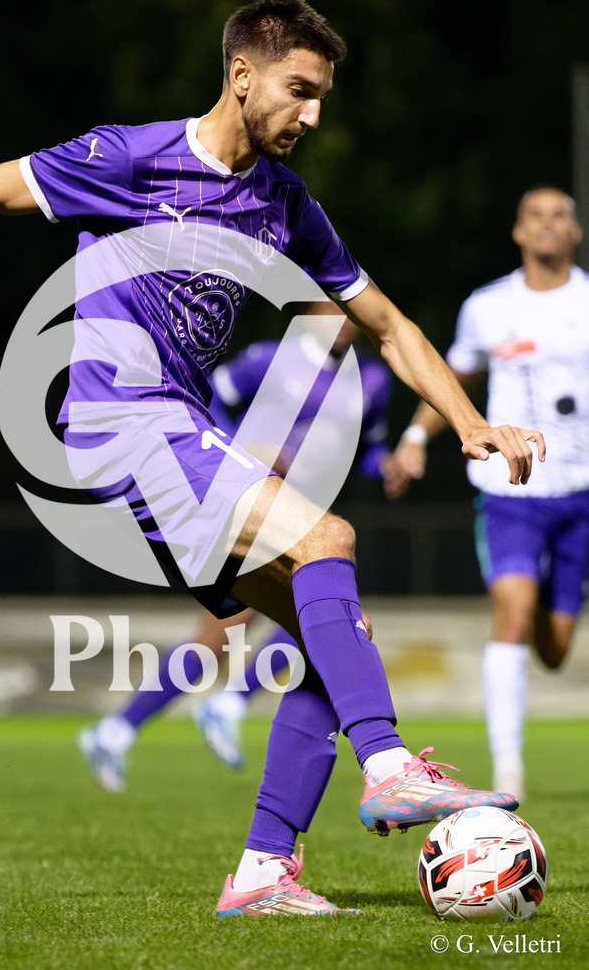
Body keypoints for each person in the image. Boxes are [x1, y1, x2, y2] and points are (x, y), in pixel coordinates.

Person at [0, 0, 545, 917]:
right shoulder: (129, 157)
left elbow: (384, 324)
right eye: (298, 91)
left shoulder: (285, 205)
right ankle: (385, 766)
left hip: (169, 441)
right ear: (240, 75)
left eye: (322, 100)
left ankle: (265, 872)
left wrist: (465, 421)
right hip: (120, 428)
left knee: (329, 639)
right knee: (327, 538)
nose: (310, 115)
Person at [79, 302, 414, 790]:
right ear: (314, 308)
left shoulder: (373, 382)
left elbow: (368, 450)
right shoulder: (269, 359)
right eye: (334, 307)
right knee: (312, 621)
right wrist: (238, 452)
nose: (344, 319)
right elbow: (205, 401)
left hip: (299, 517)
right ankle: (215, 706)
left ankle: (126, 728)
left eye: (351, 311)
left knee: (280, 628)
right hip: (243, 504)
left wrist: (385, 468)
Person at [392, 186, 587, 802]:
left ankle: (543, 616)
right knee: (513, 611)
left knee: (555, 649)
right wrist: (415, 438)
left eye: (561, 214)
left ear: (575, 232)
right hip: (509, 490)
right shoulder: (488, 307)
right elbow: (454, 376)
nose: (549, 224)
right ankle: (508, 773)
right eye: (536, 215)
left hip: (581, 492)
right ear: (518, 232)